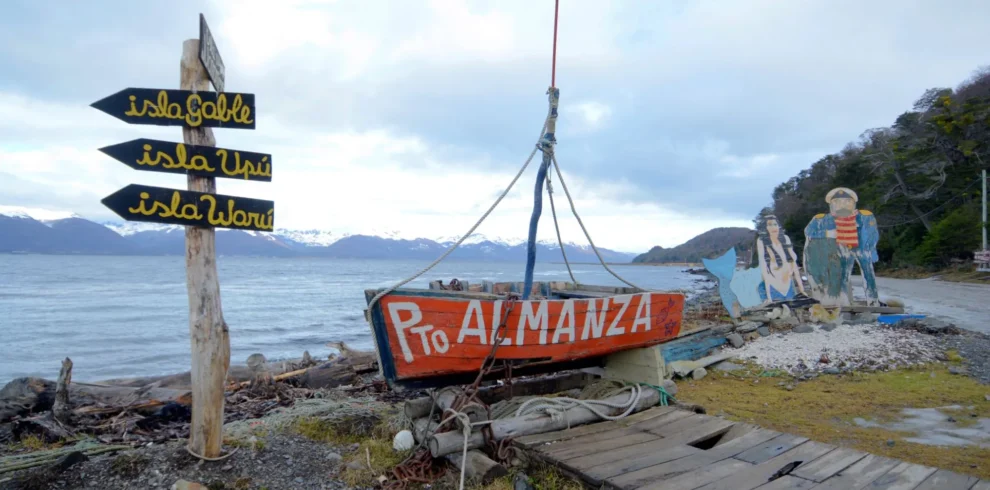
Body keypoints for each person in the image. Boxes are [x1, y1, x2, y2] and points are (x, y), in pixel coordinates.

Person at [803, 187, 880, 306]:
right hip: (841, 249)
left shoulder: (865, 216)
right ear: (831, 204)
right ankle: (844, 301)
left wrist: (870, 248)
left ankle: (873, 300)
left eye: (847, 201)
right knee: (843, 275)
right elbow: (809, 231)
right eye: (837, 202)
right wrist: (827, 234)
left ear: (854, 203)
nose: (842, 205)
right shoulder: (824, 219)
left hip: (862, 249)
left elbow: (872, 233)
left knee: (868, 273)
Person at [756, 215, 806, 303]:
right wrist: (769, 296)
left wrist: (802, 289)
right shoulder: (762, 241)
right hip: (773, 282)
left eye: (775, 224)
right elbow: (763, 267)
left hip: (787, 281)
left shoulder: (785, 239)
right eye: (770, 225)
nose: (773, 227)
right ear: (765, 228)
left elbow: (793, 264)